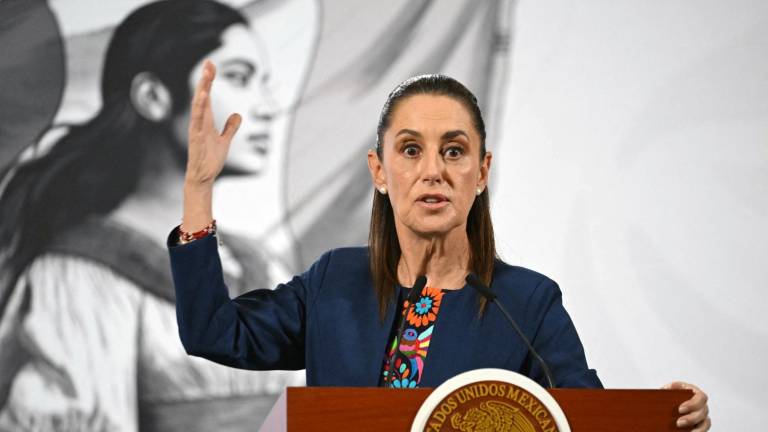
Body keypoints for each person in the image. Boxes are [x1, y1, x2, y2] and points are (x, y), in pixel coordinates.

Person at [170, 65, 711, 431]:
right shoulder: (334, 280)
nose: (433, 171)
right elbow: (215, 332)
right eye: (410, 150)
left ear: (481, 172)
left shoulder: (526, 303)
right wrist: (197, 189)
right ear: (379, 171)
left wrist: (668, 416)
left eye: (454, 151)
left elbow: (587, 419)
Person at [0, 1, 301, 430]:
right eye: (238, 78)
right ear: (153, 97)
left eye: (264, 82)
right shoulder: (83, 276)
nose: (269, 107)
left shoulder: (261, 265)